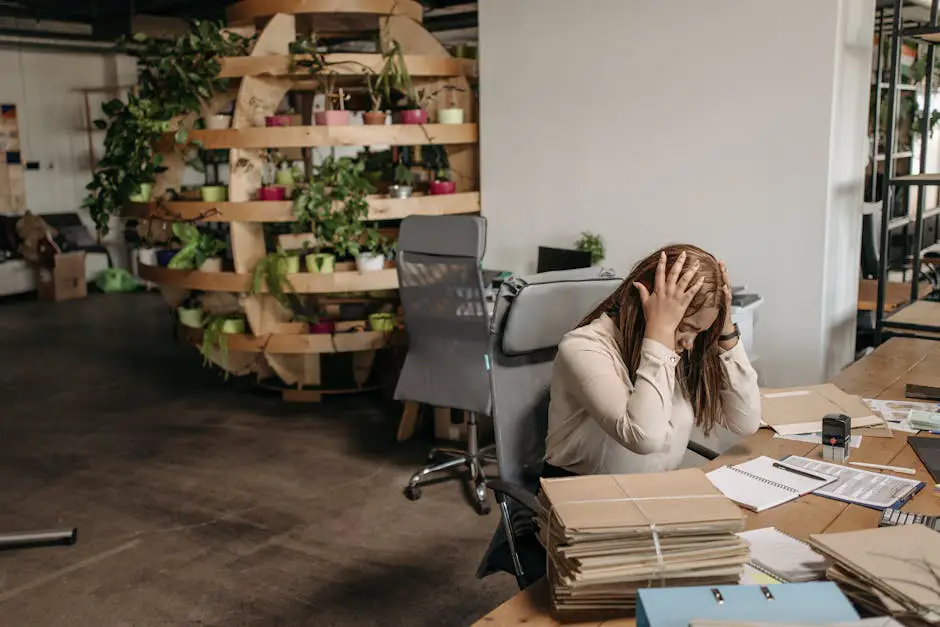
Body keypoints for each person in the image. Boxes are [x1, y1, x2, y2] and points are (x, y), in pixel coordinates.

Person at [544, 244, 762, 476]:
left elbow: (745, 422)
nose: (689, 342)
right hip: (582, 498)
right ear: (645, 305)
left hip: (651, 493)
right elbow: (644, 437)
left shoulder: (680, 349)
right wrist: (660, 331)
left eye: (699, 332)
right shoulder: (582, 347)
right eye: (686, 328)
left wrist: (725, 328)